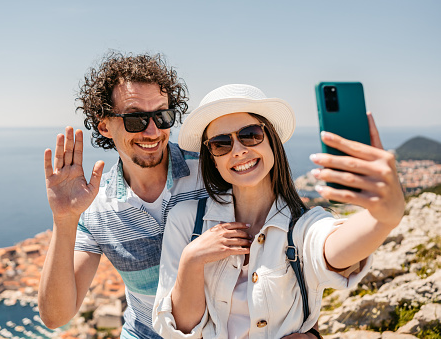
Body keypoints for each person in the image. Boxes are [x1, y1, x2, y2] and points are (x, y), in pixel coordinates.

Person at [39, 52, 321, 339]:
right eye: (136, 118)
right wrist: (64, 219)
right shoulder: (94, 207)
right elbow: (56, 316)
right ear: (104, 126)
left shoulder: (218, 168)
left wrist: (311, 331)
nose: (152, 131)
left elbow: (287, 235)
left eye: (162, 116)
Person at [153, 84, 405, 338]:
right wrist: (191, 260)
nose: (239, 150)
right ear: (213, 159)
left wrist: (382, 218)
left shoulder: (303, 226)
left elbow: (332, 248)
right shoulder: (186, 220)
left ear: (271, 138)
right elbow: (178, 330)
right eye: (220, 144)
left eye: (250, 134)